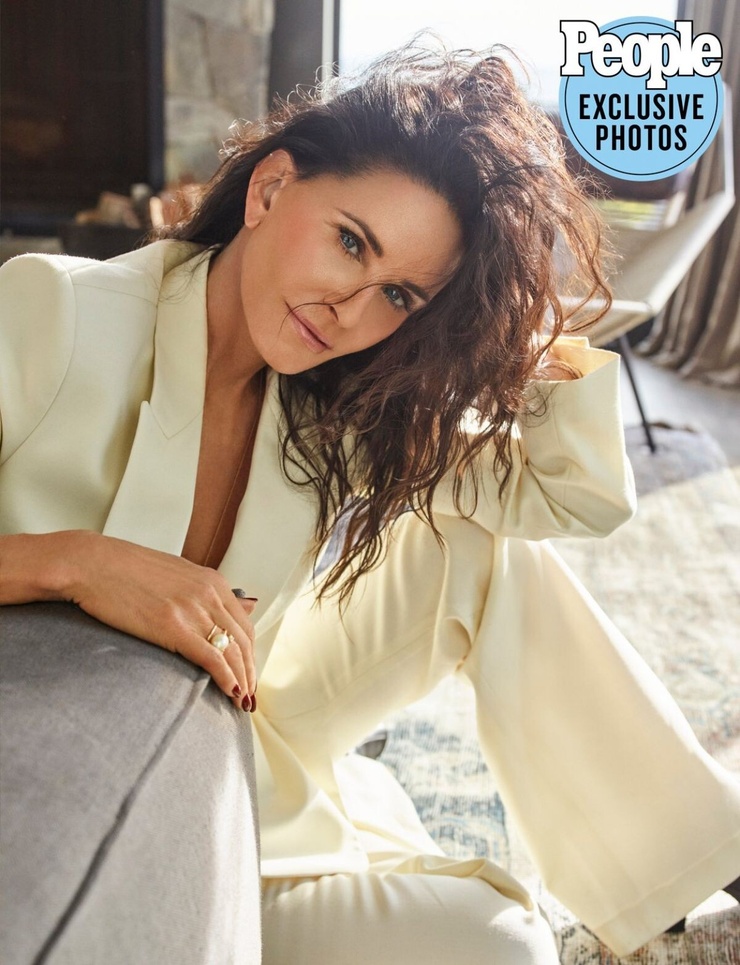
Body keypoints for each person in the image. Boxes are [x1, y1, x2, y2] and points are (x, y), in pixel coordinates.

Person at [1, 43, 738, 964]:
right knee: (506, 945)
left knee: (482, 547)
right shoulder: (56, 311)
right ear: (270, 189)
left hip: (256, 720)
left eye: (397, 293)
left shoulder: (333, 402)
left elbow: (571, 499)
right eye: (351, 240)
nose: (349, 307)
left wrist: (526, 340)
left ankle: (689, 858)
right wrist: (78, 561)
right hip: (168, 789)